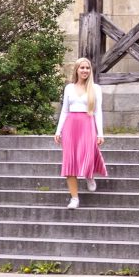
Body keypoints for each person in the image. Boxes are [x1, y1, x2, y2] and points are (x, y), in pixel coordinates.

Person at [54, 57, 107, 209]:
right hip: (70, 126)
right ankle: (74, 198)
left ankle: (89, 175)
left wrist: (100, 133)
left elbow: (98, 112)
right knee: (69, 161)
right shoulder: (69, 88)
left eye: (87, 68)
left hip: (87, 125)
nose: (85, 70)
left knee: (88, 155)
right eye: (82, 68)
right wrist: (58, 131)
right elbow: (64, 111)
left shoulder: (95, 88)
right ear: (77, 70)